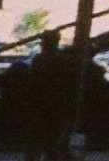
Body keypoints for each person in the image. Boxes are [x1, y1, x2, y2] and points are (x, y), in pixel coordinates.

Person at [23, 31, 73, 161]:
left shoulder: (39, 60)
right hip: (56, 105)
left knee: (35, 141)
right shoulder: (64, 60)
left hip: (40, 105)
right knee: (52, 142)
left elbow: (32, 83)